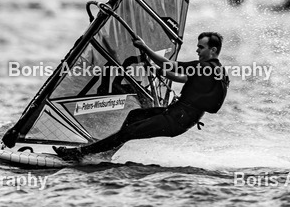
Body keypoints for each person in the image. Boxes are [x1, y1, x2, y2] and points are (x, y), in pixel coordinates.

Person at [54, 31, 229, 161]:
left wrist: (145, 48)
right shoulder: (213, 70)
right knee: (134, 116)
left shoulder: (205, 67)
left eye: (201, 47)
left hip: (178, 119)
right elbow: (179, 77)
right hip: (176, 114)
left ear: (213, 50)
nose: (197, 50)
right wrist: (153, 68)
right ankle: (106, 153)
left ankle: (79, 154)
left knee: (129, 132)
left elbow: (169, 65)